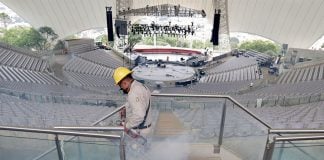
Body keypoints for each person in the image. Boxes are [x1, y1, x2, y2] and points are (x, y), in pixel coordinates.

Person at [113, 67, 152, 139]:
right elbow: (141, 105)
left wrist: (126, 126)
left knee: (138, 149)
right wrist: (126, 110)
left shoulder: (133, 93)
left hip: (139, 131)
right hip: (145, 128)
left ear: (124, 83)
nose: (123, 90)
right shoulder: (141, 86)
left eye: (121, 87)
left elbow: (139, 116)